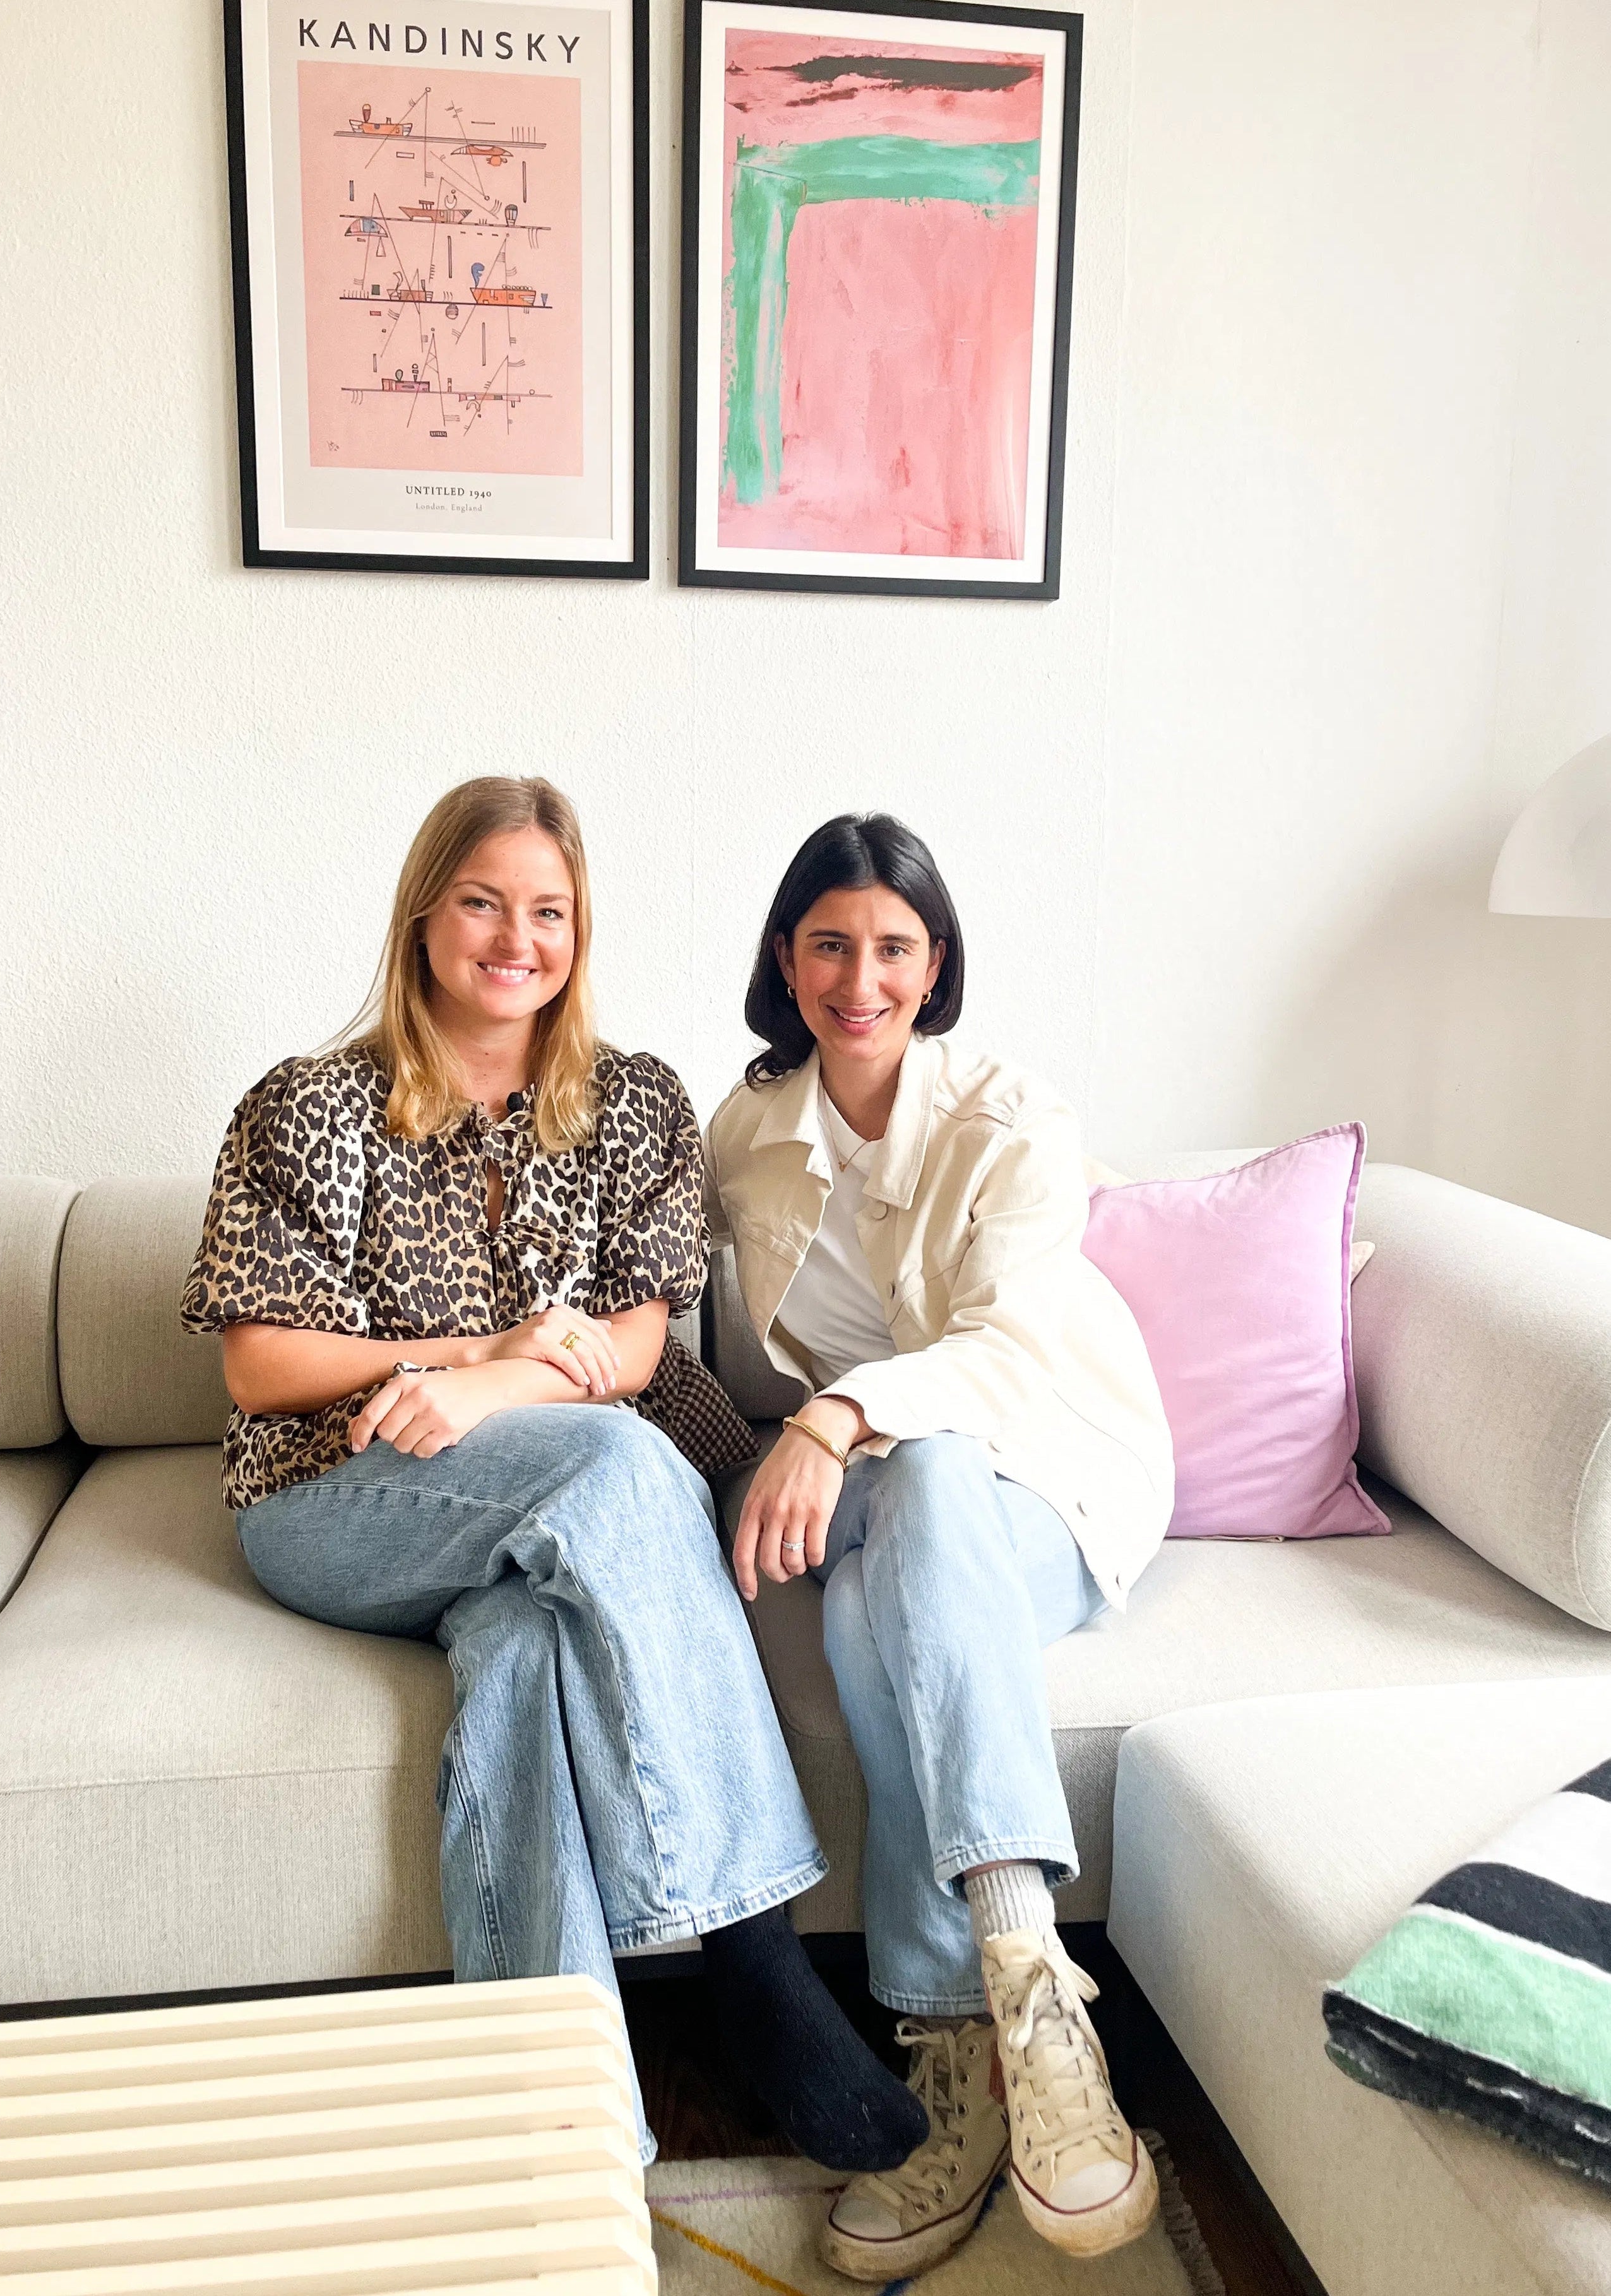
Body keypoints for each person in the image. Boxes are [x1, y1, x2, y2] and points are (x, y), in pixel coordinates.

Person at [181, 776, 927, 2174]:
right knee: (615, 1465)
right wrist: (465, 1349)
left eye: (547, 910)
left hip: (539, 1499)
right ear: (423, 916)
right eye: (481, 902)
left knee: (526, 1646)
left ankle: (552, 2112)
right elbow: (260, 1367)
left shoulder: (633, 1101)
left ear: (579, 933)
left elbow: (639, 1340)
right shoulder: (305, 1104)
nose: (513, 938)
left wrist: (487, 1390)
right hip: (333, 1498)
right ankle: (753, 1959)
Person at [705, 814, 1174, 2275]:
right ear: (786, 956)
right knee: (892, 1539)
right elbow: (688, 1327)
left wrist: (838, 1417)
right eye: (829, 942)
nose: (859, 976)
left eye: (892, 946)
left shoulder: (1011, 1117)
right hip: (879, 1493)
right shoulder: (742, 1131)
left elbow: (1004, 1351)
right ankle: (1017, 2016)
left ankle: (979, 2026)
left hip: (1047, 1474)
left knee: (897, 1549)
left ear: (936, 960)